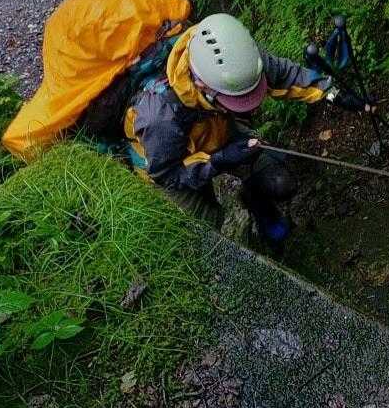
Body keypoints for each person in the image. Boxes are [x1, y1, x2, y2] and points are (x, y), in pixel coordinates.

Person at [124, 13, 374, 245]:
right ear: (201, 85)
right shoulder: (160, 117)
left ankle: (261, 209)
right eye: (237, 99)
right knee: (207, 229)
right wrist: (218, 160)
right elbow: (168, 174)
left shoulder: (236, 58)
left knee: (279, 181)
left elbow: (283, 75)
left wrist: (332, 93)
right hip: (168, 165)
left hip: (217, 130)